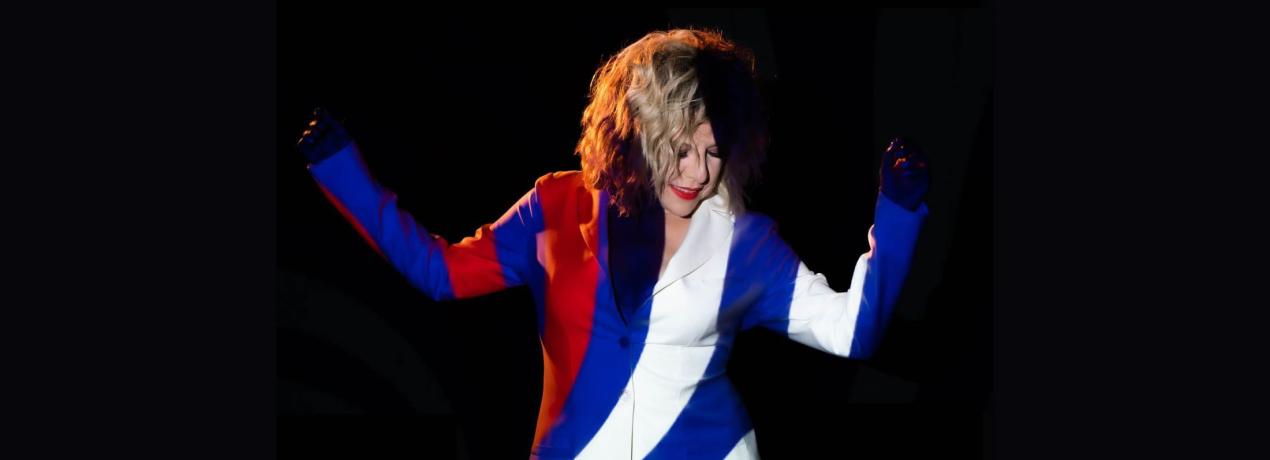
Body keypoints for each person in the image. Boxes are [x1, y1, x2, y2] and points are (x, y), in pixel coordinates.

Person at [297, 28, 928, 459]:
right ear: (636, 131)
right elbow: (440, 273)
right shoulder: (554, 205)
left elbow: (852, 333)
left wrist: (898, 218)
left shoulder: (745, 242)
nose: (697, 173)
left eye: (713, 152)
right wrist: (344, 174)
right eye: (679, 149)